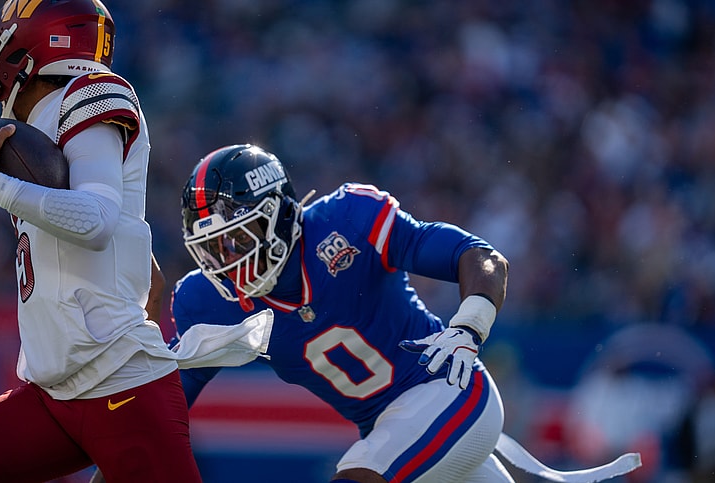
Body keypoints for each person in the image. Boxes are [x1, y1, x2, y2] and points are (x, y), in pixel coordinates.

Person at [0, 1, 205, 481]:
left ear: (34, 46)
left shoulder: (91, 94)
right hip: (53, 393)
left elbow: (96, 221)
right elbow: (126, 244)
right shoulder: (35, 126)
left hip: (122, 387)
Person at [171, 144, 515, 482]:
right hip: (388, 432)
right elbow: (167, 403)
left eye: (240, 240)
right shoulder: (206, 302)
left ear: (279, 215)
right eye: (212, 249)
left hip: (449, 389)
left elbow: (476, 255)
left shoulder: (347, 219)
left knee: (359, 475)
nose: (229, 261)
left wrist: (469, 327)